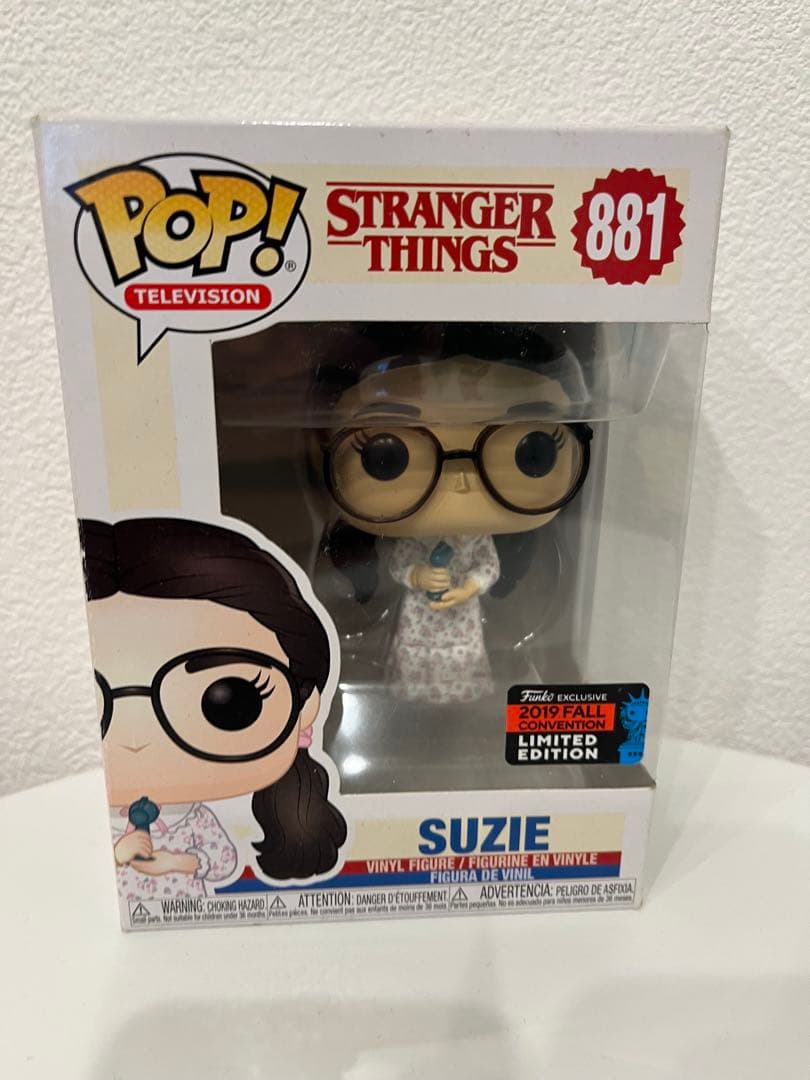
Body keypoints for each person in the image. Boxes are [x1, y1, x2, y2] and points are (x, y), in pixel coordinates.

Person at [81, 515, 347, 901]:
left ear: (305, 705)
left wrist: (175, 862)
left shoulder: (196, 819)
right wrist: (115, 855)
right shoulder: (90, 816)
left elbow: (222, 861)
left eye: (230, 700)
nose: (135, 741)